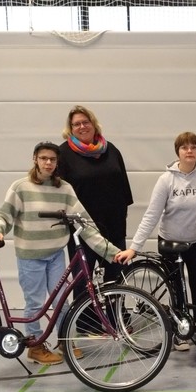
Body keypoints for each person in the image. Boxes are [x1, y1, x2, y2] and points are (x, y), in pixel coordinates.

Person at [0, 142, 125, 365]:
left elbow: (84, 224)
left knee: (61, 301)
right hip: (30, 256)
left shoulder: (65, 189)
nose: (48, 163)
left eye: (52, 159)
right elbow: (4, 215)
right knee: (35, 303)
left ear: (57, 162)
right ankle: (35, 346)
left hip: (56, 255)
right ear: (35, 160)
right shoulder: (21, 187)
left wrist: (111, 252)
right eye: (44, 158)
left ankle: (64, 341)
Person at [118, 132, 196, 351]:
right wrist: (134, 248)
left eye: (193, 147)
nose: (189, 151)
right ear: (178, 151)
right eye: (184, 147)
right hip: (171, 244)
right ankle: (180, 332)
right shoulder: (166, 180)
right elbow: (151, 215)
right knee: (176, 289)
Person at [57, 105, 133, 332]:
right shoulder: (63, 155)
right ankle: (88, 323)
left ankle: (116, 317)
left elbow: (124, 190)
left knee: (115, 275)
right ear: (70, 128)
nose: (82, 126)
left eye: (85, 122)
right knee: (84, 279)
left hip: (113, 226)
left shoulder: (111, 150)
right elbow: (60, 194)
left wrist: (122, 221)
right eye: (76, 124)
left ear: (93, 123)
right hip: (82, 230)